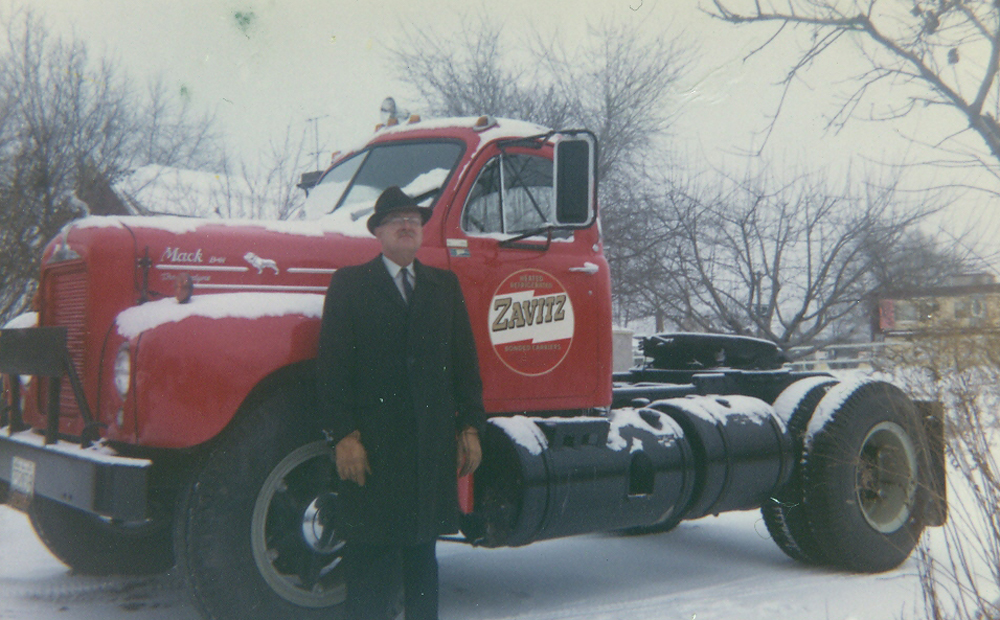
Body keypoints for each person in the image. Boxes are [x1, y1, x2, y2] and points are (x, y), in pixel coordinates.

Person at [316, 185, 486, 620]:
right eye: (396, 220)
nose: (407, 225)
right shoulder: (351, 285)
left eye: (413, 219)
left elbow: (464, 363)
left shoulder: (443, 286)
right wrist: (344, 436)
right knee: (370, 566)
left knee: (422, 560)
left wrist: (469, 427)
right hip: (373, 450)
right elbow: (332, 368)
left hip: (427, 451)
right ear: (378, 232)